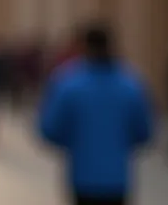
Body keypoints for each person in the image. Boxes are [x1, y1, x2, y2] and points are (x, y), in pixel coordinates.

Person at [38, 24, 154, 205]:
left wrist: (74, 142)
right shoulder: (130, 83)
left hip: (82, 176)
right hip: (117, 177)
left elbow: (50, 129)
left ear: (83, 47)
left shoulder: (68, 83)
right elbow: (145, 131)